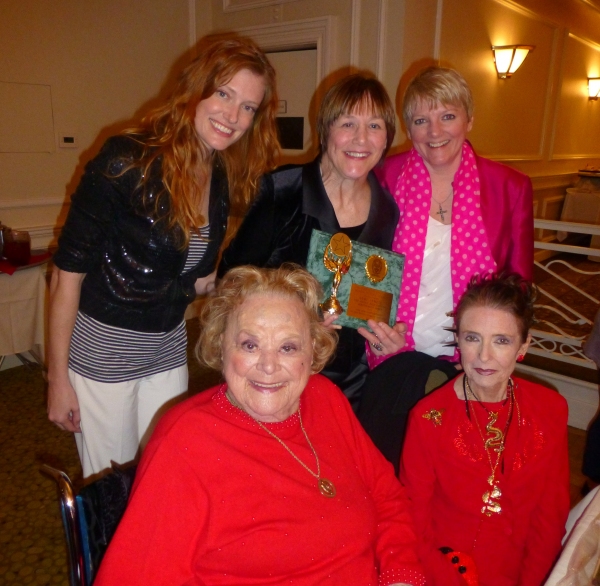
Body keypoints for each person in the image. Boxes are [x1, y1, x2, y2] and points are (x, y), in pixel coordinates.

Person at [93, 265, 426, 586]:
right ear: (220, 346)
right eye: (250, 345)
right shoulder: (185, 443)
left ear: (313, 349)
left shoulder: (325, 399)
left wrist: (400, 575)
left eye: (288, 347)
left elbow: (388, 499)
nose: (268, 365)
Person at [47, 34, 279, 478]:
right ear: (195, 88)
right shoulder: (126, 159)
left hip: (168, 349)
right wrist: (58, 380)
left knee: (162, 473)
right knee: (113, 486)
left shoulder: (221, 172)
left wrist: (271, 293)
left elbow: (192, 279)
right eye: (224, 94)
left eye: (248, 107)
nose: (233, 116)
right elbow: (66, 277)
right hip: (106, 355)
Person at [358, 66, 534, 467]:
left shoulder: (510, 186)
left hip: (471, 359)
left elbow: (518, 287)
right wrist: (374, 325)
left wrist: (489, 351)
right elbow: (369, 261)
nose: (434, 131)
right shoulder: (386, 176)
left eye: (447, 116)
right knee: (389, 462)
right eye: (421, 120)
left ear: (469, 119)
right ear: (408, 127)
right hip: (394, 352)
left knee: (454, 467)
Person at [218, 74, 401, 409]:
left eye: (375, 126)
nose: (361, 139)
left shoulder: (388, 211)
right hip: (273, 374)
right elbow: (230, 282)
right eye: (348, 123)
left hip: (351, 382)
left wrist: (382, 338)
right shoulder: (281, 191)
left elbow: (369, 299)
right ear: (325, 130)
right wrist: (295, 313)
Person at [400, 273, 570, 586]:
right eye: (472, 337)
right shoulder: (428, 419)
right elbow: (414, 526)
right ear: (458, 340)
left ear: (523, 345)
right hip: (447, 572)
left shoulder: (550, 410)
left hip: (521, 572)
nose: (484, 356)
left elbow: (550, 519)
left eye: (501, 341)